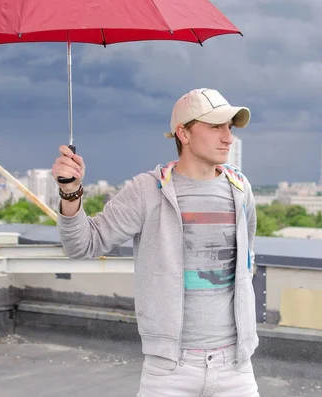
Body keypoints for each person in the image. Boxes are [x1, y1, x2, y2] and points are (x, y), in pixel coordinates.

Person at [52, 88, 259, 397]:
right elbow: (84, 243)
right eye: (216, 126)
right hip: (169, 371)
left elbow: (247, 260)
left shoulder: (240, 188)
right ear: (183, 133)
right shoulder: (148, 190)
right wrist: (70, 191)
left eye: (230, 127)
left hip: (236, 368)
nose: (228, 137)